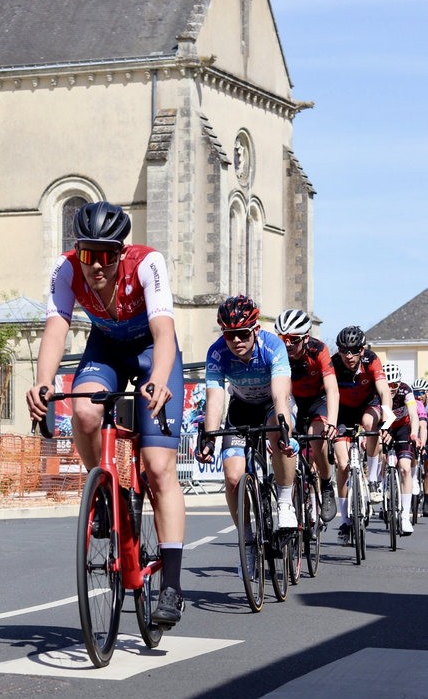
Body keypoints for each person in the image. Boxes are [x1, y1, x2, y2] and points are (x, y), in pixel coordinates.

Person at [26, 201, 186, 626]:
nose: (95, 265)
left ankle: (171, 586)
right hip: (107, 350)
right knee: (83, 411)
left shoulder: (147, 263)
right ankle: (105, 490)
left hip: (151, 351)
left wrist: (160, 379)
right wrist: (43, 382)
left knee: (158, 467)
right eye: (87, 253)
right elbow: (56, 328)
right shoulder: (66, 269)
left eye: (105, 255)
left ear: (121, 251)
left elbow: (164, 332)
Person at [197, 295, 298, 578]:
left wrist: (285, 431)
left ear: (255, 330)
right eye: (229, 335)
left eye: (242, 333)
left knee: (278, 432)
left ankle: (285, 501)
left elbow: (281, 395)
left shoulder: (273, 346)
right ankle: (248, 541)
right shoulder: (217, 353)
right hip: (241, 408)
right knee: (233, 477)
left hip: (271, 405)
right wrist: (209, 438)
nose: (236, 340)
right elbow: (215, 397)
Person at [274, 308, 339, 522]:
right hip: (292, 400)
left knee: (316, 437)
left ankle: (326, 484)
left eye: (293, 339)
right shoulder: (277, 352)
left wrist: (332, 422)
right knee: (284, 435)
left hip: (317, 401)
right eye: (283, 338)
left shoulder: (318, 350)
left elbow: (332, 389)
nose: (288, 344)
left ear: (306, 338)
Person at [331, 326, 393, 545]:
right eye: (344, 351)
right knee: (342, 465)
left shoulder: (371, 360)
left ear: (362, 349)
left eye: (354, 350)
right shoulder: (334, 363)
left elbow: (384, 391)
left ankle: (373, 478)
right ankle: (345, 521)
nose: (349, 356)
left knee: (369, 423)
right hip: (343, 411)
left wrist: (387, 419)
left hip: (368, 405)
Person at [378, 362, 420, 535]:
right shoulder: (378, 390)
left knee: (404, 468)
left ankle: (405, 516)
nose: (391, 389)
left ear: (399, 383)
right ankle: (381, 485)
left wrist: (414, 434)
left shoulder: (406, 391)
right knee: (381, 455)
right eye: (388, 385)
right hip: (385, 426)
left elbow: (414, 415)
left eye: (394, 385)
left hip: (402, 428)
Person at [412, 378, 428, 516]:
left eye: (421, 392)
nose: (418, 396)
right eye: (415, 393)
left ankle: (427, 501)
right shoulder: (412, 404)